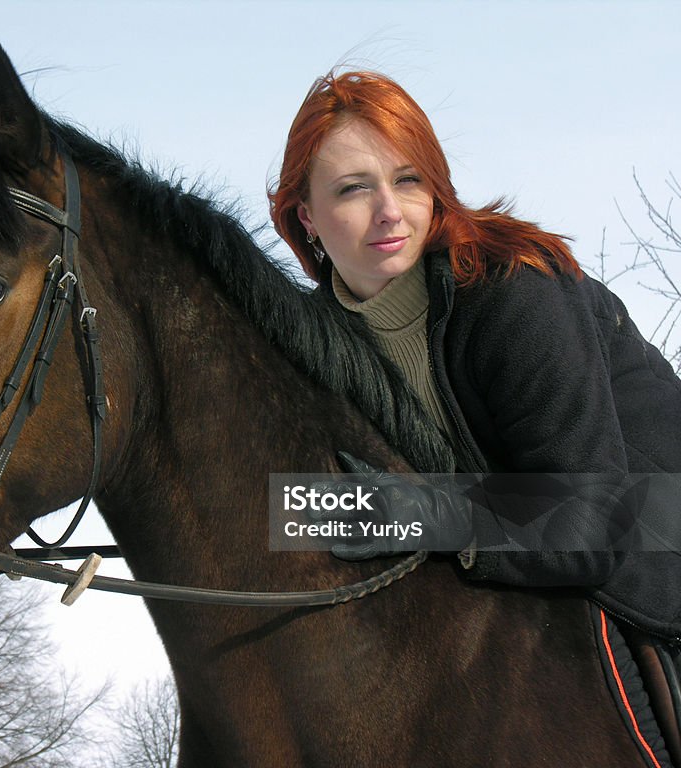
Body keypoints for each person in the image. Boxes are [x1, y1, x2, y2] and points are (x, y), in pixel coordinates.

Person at [267, 70, 681, 643]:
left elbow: (595, 521)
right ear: (306, 215)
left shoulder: (513, 291)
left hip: (654, 551)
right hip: (520, 584)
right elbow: (304, 508)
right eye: (353, 188)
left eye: (408, 179)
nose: (389, 210)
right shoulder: (313, 344)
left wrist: (427, 514)